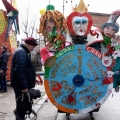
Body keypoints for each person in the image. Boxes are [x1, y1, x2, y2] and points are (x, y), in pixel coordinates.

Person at [10, 37, 41, 120]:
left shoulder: (22, 51)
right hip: (20, 86)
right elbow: (19, 71)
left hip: (21, 84)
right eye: (33, 46)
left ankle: (20, 117)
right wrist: (23, 87)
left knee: (23, 104)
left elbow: (25, 70)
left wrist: (33, 79)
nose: (34, 47)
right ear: (27, 44)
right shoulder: (21, 52)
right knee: (22, 105)